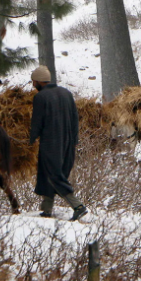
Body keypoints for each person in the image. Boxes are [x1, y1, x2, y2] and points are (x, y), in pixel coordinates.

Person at [29, 65, 87, 222]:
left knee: (54, 174)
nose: (33, 85)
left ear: (39, 81)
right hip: (68, 142)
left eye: (33, 82)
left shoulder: (40, 98)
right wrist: (74, 140)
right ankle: (47, 209)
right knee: (49, 172)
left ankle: (78, 206)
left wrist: (31, 139)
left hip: (50, 143)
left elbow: (37, 122)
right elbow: (75, 118)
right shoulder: (66, 93)